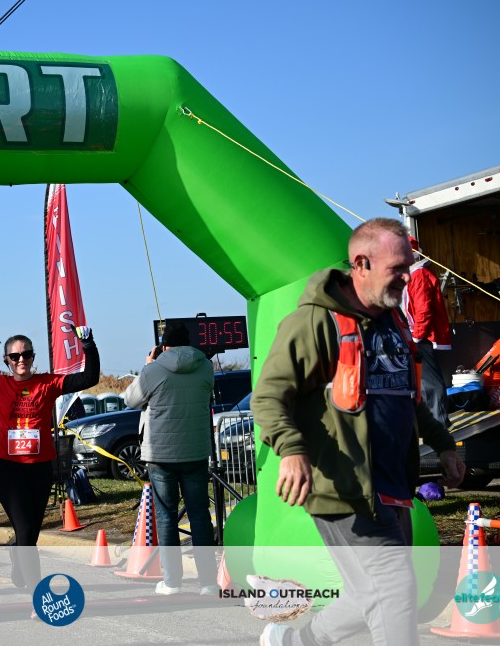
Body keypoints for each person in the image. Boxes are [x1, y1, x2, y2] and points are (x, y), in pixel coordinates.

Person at [251, 218, 466, 646]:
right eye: (397, 268)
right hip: (344, 487)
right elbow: (269, 397)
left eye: (408, 267)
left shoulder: (394, 322)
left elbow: (407, 397)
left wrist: (444, 444)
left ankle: (292, 641)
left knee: (373, 594)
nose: (407, 278)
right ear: (361, 264)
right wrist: (291, 450)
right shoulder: (314, 323)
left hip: (393, 485)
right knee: (394, 589)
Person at [0, 327, 99, 591]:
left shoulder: (48, 383)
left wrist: (88, 344)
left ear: (33, 357)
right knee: (26, 529)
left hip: (39, 468)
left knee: (30, 533)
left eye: (26, 354)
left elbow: (89, 378)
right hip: (7, 468)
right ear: (6, 360)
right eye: (15, 356)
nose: (21, 360)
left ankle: (18, 555)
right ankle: (37, 592)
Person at [123, 320, 218, 596]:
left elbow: (131, 400)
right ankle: (208, 582)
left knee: (166, 516)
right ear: (188, 343)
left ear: (163, 346)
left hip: (161, 454)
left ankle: (173, 582)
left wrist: (147, 365)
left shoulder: (153, 370)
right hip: (196, 451)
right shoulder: (206, 367)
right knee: (200, 515)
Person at [402, 235, 453, 428]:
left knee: (429, 379)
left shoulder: (419, 275)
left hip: (422, 335)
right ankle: (435, 420)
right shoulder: (416, 274)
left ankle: (439, 422)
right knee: (423, 379)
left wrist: (416, 335)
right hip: (418, 333)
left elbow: (424, 309)